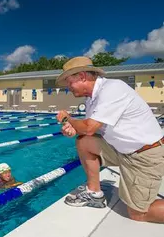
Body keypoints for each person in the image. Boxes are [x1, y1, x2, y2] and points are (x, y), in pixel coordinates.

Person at [55, 56, 164, 223]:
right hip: (122, 150)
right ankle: (94, 193)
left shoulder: (113, 89)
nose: (68, 87)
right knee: (84, 141)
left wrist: (67, 119)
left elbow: (89, 126)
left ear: (82, 76)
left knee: (139, 214)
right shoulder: (92, 99)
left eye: (69, 82)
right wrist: (72, 130)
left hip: (144, 155)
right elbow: (88, 131)